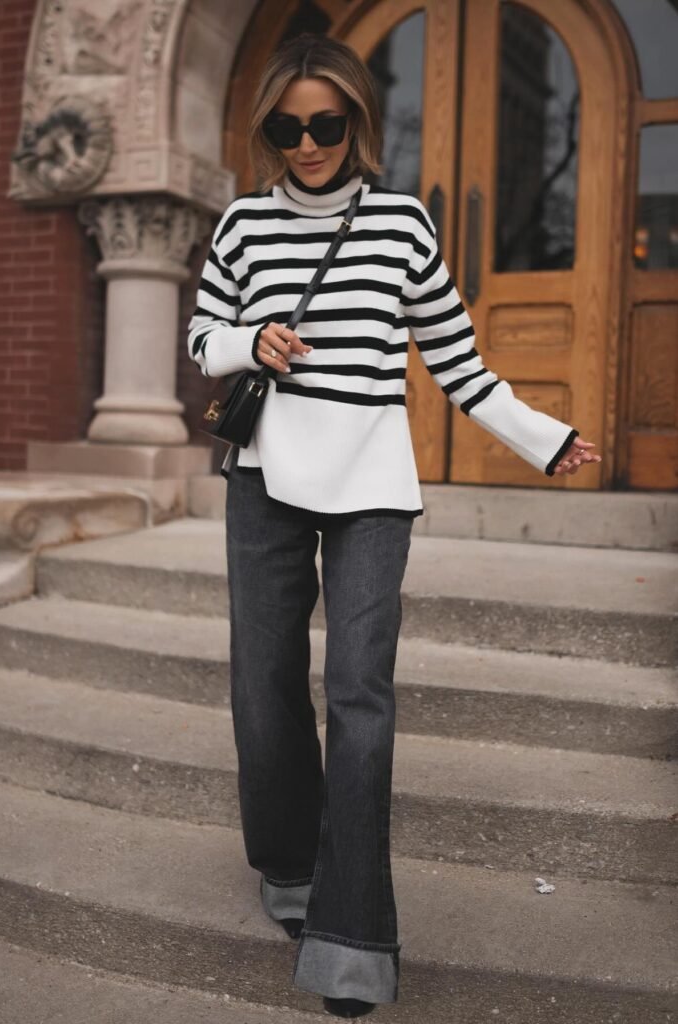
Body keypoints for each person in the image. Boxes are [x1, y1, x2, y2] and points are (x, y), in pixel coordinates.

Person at [187, 31, 601, 1020]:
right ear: (268, 132)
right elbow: (203, 338)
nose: (306, 143)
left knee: (360, 689)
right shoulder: (241, 225)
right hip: (264, 476)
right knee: (264, 680)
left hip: (372, 481)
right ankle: (286, 859)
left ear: (356, 121)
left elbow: (457, 362)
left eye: (324, 124)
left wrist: (542, 440)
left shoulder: (403, 226)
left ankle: (353, 926)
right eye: (287, 128)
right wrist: (253, 338)